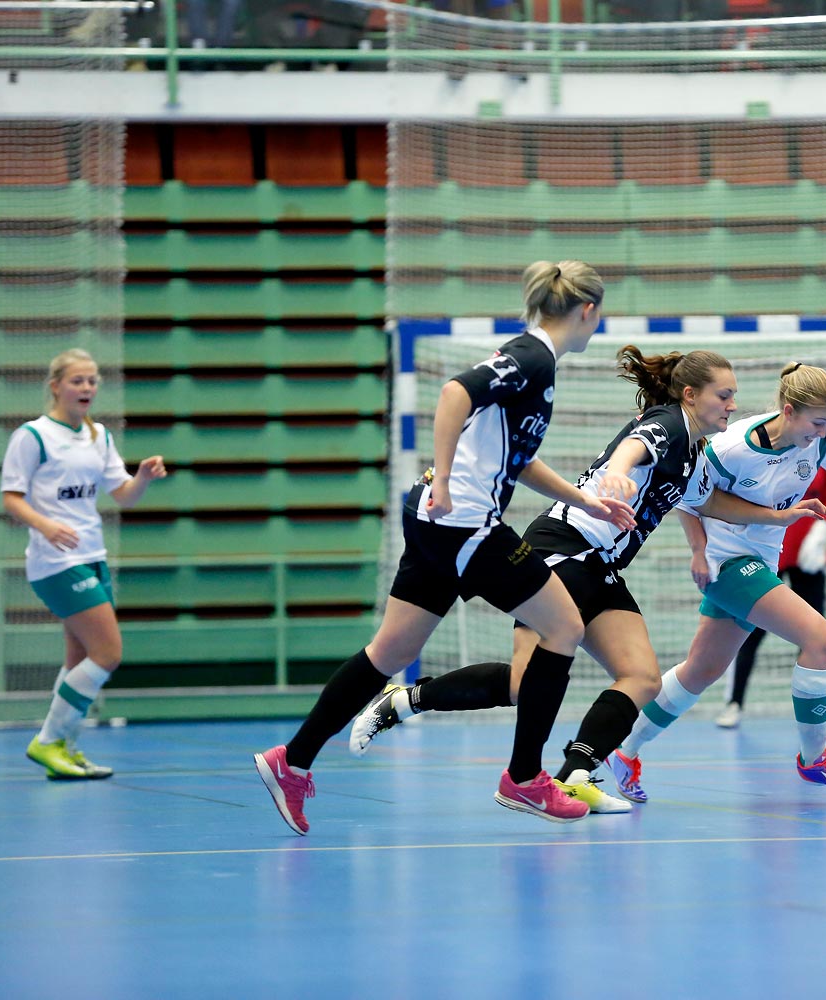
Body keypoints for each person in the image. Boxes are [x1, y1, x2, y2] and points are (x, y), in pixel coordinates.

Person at [347, 346, 826, 814]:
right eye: (723, 395)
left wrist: (775, 516)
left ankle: (576, 775)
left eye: (734, 395)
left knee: (639, 676)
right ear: (689, 395)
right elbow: (633, 447)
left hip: (602, 564)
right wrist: (618, 473)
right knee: (523, 684)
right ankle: (406, 700)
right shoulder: (666, 425)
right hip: (563, 547)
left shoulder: (695, 451)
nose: (732, 405)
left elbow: (704, 502)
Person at [252, 260, 636, 834]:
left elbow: (516, 459)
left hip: (438, 522)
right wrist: (449, 477)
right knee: (565, 629)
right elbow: (455, 393)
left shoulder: (534, 363)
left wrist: (583, 502)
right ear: (588, 311)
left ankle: (294, 760)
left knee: (385, 653)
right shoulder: (532, 357)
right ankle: (525, 778)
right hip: (464, 525)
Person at [608, 362, 826, 801]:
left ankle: (624, 751)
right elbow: (687, 497)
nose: (823, 432)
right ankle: (814, 759)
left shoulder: (822, 442)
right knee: (820, 638)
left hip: (761, 558)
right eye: (817, 422)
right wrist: (698, 551)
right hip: (728, 563)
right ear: (789, 410)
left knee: (699, 672)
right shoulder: (731, 448)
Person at [1, 349, 167, 780]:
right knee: (108, 652)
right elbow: (11, 498)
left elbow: (123, 494)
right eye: (78, 381)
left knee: (79, 658)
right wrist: (47, 526)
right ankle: (48, 741)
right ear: (55, 385)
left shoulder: (99, 437)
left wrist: (143, 478)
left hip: (92, 555)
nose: (87, 388)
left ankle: (64, 746)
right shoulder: (32, 436)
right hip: (55, 561)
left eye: (93, 381)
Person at [715, 468, 826, 729]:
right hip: (770, 551)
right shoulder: (770, 455)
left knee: (816, 630)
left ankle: (816, 706)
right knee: (751, 630)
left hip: (808, 553)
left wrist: (822, 530)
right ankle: (734, 702)